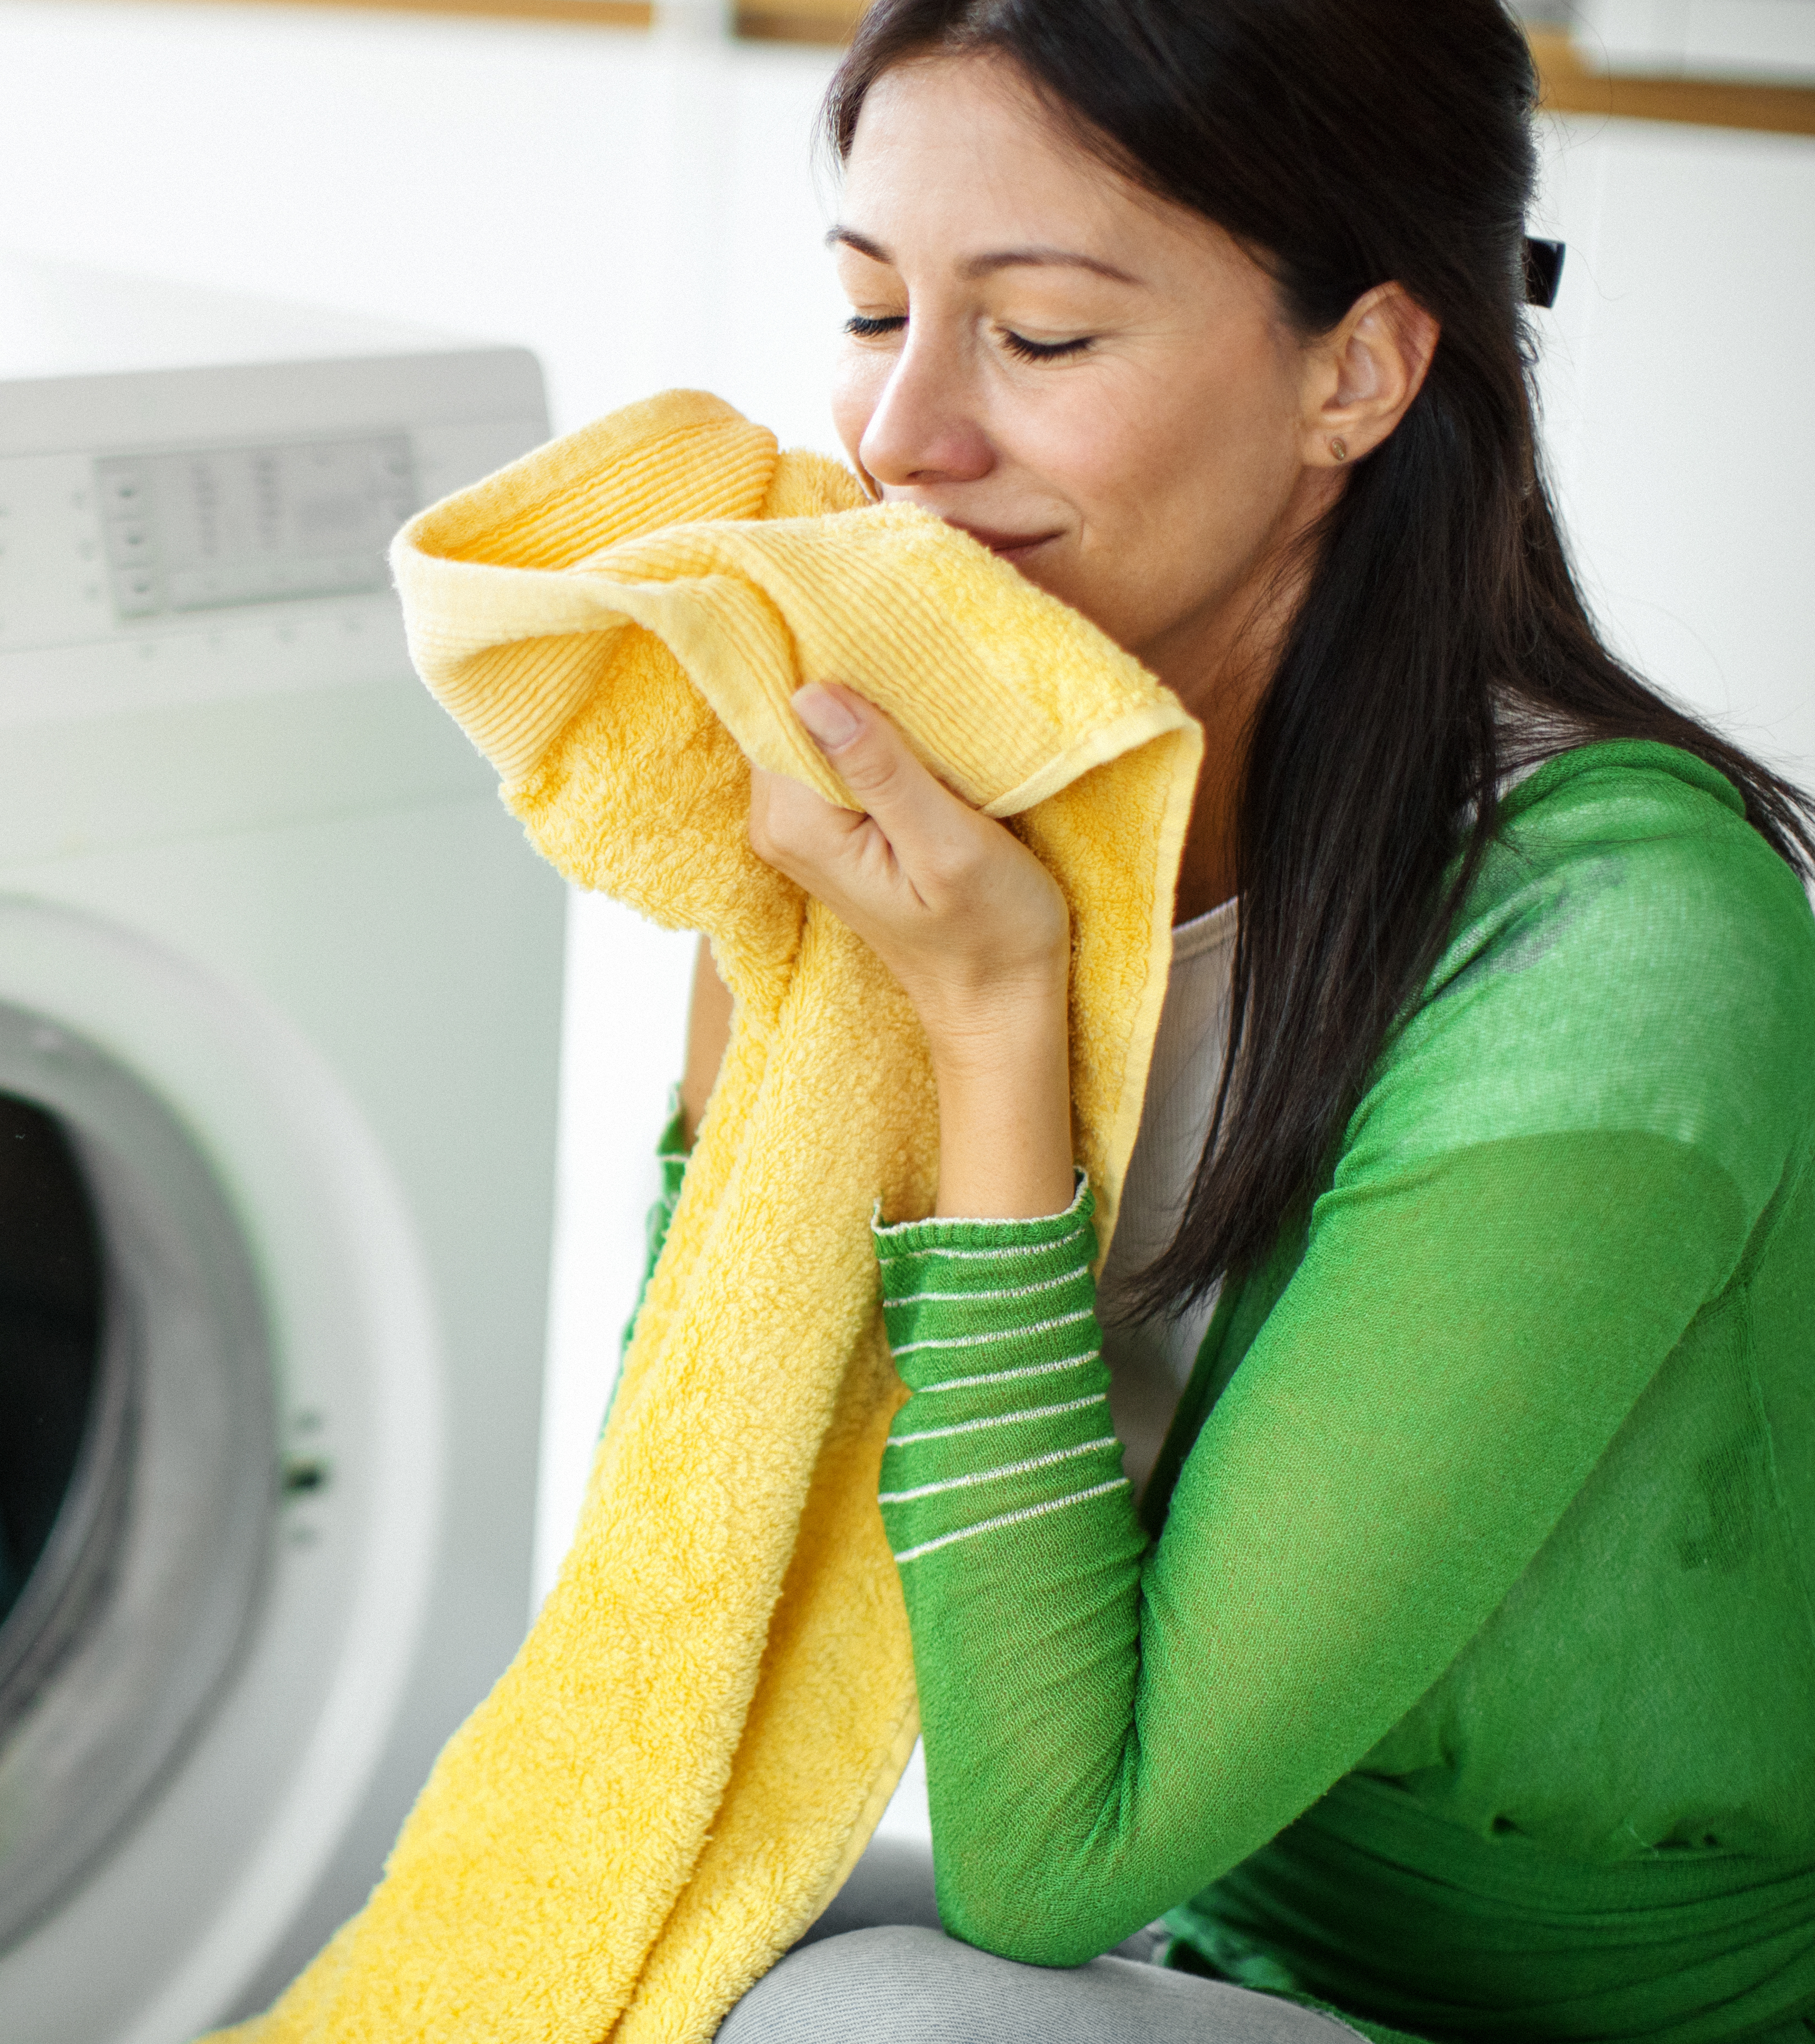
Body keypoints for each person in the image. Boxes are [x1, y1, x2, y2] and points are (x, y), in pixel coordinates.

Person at [665, 2, 1815, 2038]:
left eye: (1037, 339)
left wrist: (998, 1037)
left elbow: (1053, 1867)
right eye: (871, 312)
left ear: (1355, 374)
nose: (900, 441)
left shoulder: (1622, 952)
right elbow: (692, 1632)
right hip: (1234, 1944)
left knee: (892, 2024)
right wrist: (756, 990)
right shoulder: (1020, 813)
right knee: (632, 1911)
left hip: (1616, 2022)